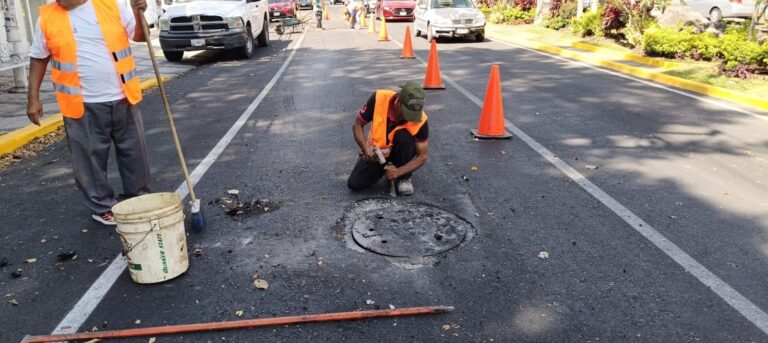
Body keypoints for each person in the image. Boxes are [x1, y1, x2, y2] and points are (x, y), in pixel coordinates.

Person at [26, 0, 150, 225]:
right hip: (82, 104)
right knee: (89, 161)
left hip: (123, 96)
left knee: (134, 154)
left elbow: (141, 37)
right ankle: (102, 206)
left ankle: (137, 198)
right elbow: (38, 57)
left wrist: (137, 12)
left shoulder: (112, 5)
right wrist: (32, 98)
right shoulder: (47, 16)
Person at [347, 82, 429, 195]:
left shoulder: (421, 119)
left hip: (401, 154)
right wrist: (366, 149)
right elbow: (357, 125)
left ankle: (404, 178)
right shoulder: (379, 98)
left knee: (403, 136)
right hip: (378, 155)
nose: (409, 117)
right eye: (407, 112)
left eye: (413, 113)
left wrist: (400, 171)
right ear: (398, 101)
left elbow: (422, 156)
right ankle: (386, 170)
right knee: (355, 183)